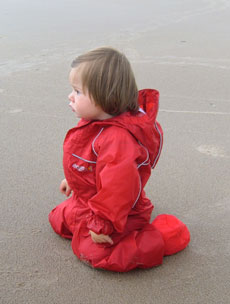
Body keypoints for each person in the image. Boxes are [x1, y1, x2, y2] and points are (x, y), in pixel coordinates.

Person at [49, 47, 190, 272]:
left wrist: (102, 224)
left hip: (116, 211)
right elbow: (85, 159)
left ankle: (162, 237)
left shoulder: (118, 140)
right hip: (88, 199)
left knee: (97, 254)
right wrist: (73, 179)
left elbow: (118, 188)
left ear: (104, 97)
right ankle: (91, 224)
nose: (70, 96)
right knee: (59, 219)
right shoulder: (93, 120)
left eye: (77, 91)